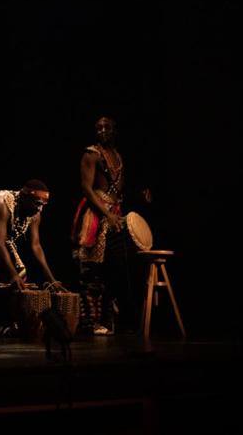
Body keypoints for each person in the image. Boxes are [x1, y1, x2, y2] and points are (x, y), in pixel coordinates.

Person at [70, 116, 151, 335]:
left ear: (115, 130)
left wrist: (137, 194)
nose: (102, 131)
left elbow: (118, 191)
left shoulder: (117, 157)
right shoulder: (91, 154)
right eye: (98, 128)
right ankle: (90, 323)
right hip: (96, 214)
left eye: (106, 127)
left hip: (114, 212)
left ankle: (109, 319)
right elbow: (87, 188)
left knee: (112, 268)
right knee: (90, 268)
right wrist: (106, 212)